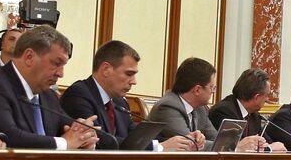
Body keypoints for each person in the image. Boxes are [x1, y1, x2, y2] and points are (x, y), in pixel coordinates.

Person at [0, 25, 97, 149]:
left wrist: (84, 135)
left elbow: (68, 127)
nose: (61, 74)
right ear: (29, 57)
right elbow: (8, 138)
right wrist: (65, 143)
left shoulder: (48, 96)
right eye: (56, 63)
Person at [60, 41, 199, 151]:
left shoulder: (119, 102)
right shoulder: (79, 95)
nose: (134, 81)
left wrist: (182, 140)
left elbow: (135, 137)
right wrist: (160, 147)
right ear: (106, 69)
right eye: (129, 74)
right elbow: (102, 141)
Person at [209, 68, 276, 141]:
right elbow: (236, 145)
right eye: (266, 95)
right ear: (256, 97)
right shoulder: (224, 111)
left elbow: (266, 141)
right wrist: (268, 149)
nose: (267, 99)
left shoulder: (254, 115)